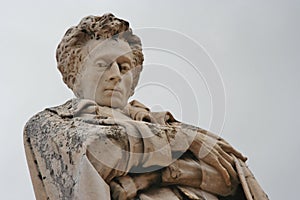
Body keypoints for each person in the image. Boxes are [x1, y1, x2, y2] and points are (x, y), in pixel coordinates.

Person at [24, 13, 268, 200]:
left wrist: (157, 175)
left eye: (124, 66)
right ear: (75, 75)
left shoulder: (167, 124)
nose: (115, 74)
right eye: (102, 64)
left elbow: (233, 174)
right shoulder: (50, 123)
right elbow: (100, 149)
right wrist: (183, 142)